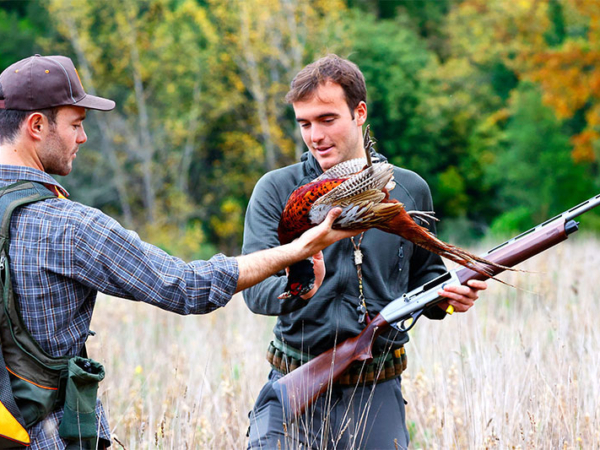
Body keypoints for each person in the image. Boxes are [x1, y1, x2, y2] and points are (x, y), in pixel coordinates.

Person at [0, 54, 358, 450]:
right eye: (76, 125)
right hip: (44, 436)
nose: (82, 138)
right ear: (36, 125)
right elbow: (187, 287)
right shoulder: (70, 227)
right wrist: (297, 250)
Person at [242, 54, 488, 449]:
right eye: (304, 123)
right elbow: (254, 292)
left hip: (376, 390)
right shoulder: (275, 190)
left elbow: (427, 275)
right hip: (294, 384)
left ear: (359, 113)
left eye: (327, 119)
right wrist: (301, 286)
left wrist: (450, 296)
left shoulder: (409, 190)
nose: (315, 135)